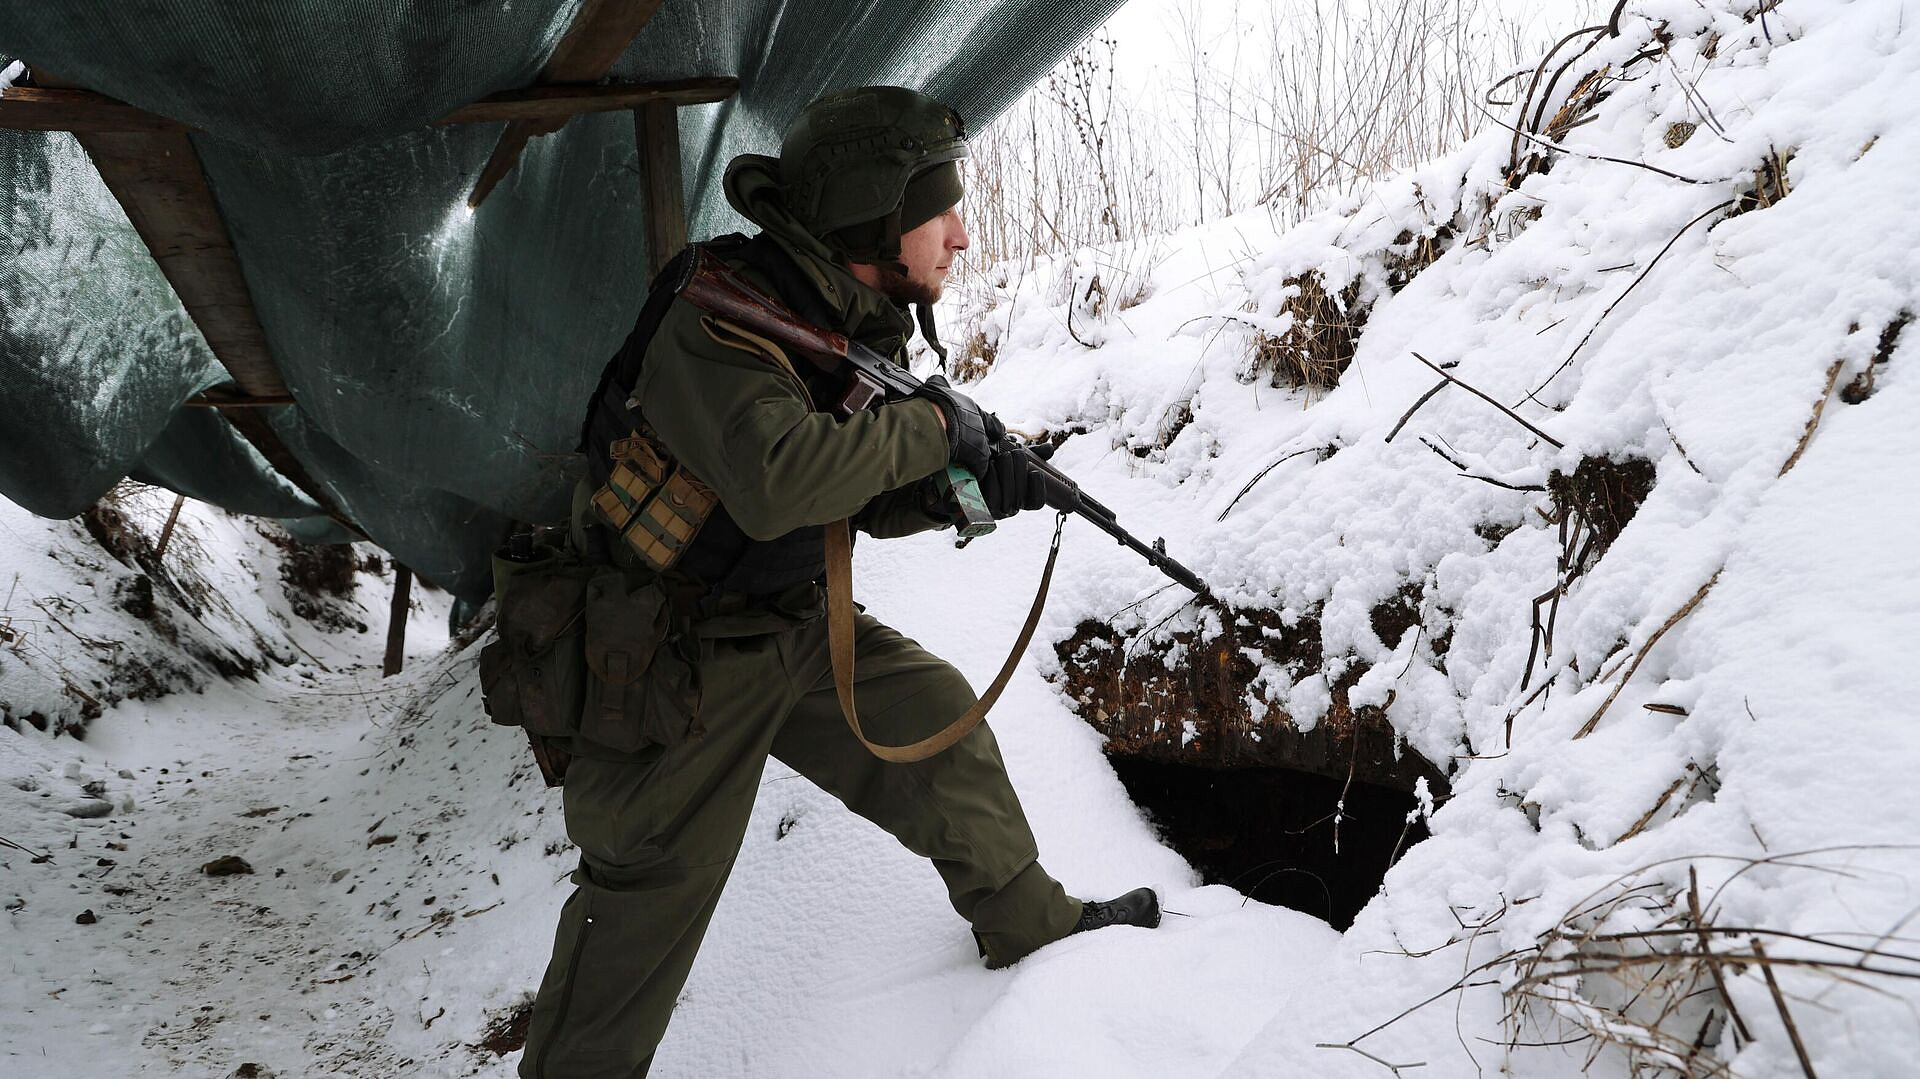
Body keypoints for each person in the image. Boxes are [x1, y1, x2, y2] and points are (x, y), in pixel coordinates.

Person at [518, 86, 1159, 1079]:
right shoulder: (719, 317)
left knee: (936, 719)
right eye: (936, 208)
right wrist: (937, 429)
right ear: (873, 214)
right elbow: (780, 481)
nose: (959, 231)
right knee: (648, 887)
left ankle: (1027, 922)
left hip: (789, 622)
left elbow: (850, 493)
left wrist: (969, 490)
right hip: (672, 656)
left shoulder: (842, 316)